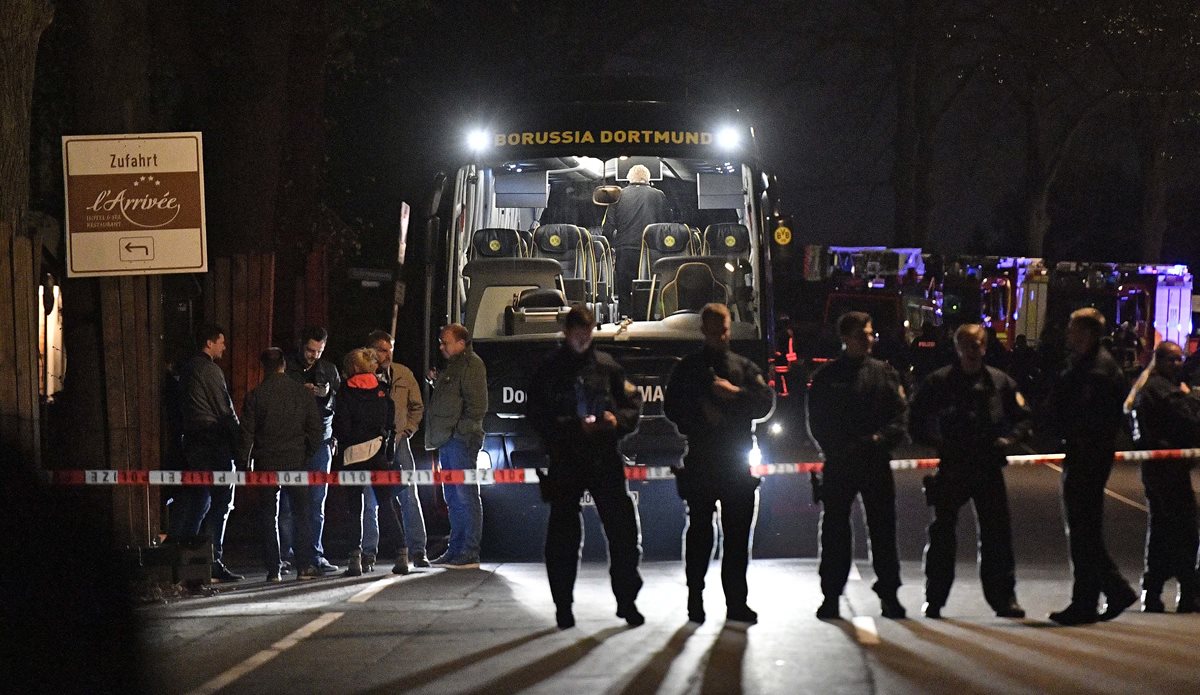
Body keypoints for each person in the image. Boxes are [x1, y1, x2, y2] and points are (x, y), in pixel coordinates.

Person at [527, 305, 645, 629]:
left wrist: (615, 421)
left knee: (623, 532)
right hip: (566, 458)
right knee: (563, 537)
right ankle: (563, 606)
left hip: (604, 457)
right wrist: (574, 428)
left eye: (587, 331)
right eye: (577, 332)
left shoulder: (608, 367)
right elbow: (537, 416)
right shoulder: (549, 370)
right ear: (567, 332)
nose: (582, 337)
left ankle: (627, 601)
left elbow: (631, 406)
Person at [909, 324, 1031, 619]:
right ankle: (935, 598)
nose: (972, 351)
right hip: (953, 466)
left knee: (997, 536)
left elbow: (1024, 420)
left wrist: (1009, 440)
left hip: (988, 465)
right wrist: (936, 442)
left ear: (985, 347)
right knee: (942, 535)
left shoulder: (1000, 383)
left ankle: (1004, 599)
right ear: (957, 348)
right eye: (966, 345)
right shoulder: (938, 383)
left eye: (977, 345)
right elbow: (915, 421)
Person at [664, 303, 775, 624]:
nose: (721, 335)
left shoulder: (743, 367)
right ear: (704, 330)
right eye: (715, 330)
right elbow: (672, 408)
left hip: (735, 460)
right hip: (702, 456)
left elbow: (766, 403)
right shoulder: (688, 369)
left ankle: (736, 603)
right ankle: (695, 599)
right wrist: (700, 414)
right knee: (700, 534)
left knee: (737, 538)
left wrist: (735, 395)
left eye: (725, 329)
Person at [807, 311, 908, 620]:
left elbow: (900, 416)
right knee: (835, 532)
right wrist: (837, 449)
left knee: (883, 532)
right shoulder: (826, 377)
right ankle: (831, 596)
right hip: (840, 463)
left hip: (875, 461)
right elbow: (818, 422)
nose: (870, 339)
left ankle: (889, 595)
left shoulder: (885, 374)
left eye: (870, 333)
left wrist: (880, 440)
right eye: (864, 334)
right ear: (847, 338)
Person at [1043, 307, 1138, 625]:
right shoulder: (1093, 365)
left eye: (1073, 329)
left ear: (1087, 333)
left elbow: (1084, 418)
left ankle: (1105, 593)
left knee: (1083, 530)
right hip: (1088, 454)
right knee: (1085, 530)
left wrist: (1062, 430)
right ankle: (1094, 597)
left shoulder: (1096, 372)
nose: (1068, 335)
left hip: (1087, 455)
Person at [1125, 341, 1200, 613]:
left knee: (1161, 530)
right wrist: (1190, 397)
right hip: (1167, 468)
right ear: (1160, 360)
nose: (1179, 365)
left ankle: (1154, 591)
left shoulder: (1146, 388)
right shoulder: (1161, 390)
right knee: (1184, 531)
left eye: (1181, 359)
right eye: (1174, 360)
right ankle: (1186, 591)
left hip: (1157, 468)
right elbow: (1189, 420)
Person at [238, 348, 323, 581]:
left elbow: (246, 434)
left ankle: (274, 569)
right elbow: (316, 431)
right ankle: (304, 567)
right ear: (284, 364)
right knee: (301, 514)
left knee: (269, 516)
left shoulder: (255, 396)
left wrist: (243, 464)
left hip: (266, 463)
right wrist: (306, 454)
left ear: (263, 367)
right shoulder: (302, 393)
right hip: (296, 461)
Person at [169, 323, 243, 582]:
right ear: (209, 343)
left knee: (197, 501)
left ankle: (185, 560)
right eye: (221, 341)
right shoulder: (209, 370)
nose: (224, 346)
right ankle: (212, 560)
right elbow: (224, 409)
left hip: (192, 442)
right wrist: (240, 444)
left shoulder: (187, 369)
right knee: (220, 503)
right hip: (213, 443)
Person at [334, 348, 411, 576]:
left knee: (354, 509)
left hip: (353, 456)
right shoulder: (382, 392)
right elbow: (390, 422)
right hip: (378, 455)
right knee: (387, 505)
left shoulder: (345, 393)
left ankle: (355, 561)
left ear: (354, 368)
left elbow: (342, 426)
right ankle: (402, 555)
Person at [364, 329, 429, 570]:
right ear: (371, 351)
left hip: (400, 443)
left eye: (390, 348)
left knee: (409, 496)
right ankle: (368, 553)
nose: (387, 354)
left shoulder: (403, 374)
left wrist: (407, 431)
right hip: (371, 446)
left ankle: (419, 550)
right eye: (382, 349)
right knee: (369, 500)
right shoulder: (363, 374)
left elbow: (417, 407)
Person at [425, 323, 488, 569]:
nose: (441, 346)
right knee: (453, 496)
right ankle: (456, 549)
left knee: (466, 495)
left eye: (445, 342)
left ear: (461, 343)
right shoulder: (455, 366)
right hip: (448, 440)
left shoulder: (472, 365)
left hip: (460, 441)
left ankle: (469, 551)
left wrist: (458, 433)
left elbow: (477, 407)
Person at [283, 326, 341, 575]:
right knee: (287, 503)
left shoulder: (329, 370)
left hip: (321, 442)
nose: (313, 355)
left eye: (318, 351)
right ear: (301, 346)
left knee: (317, 502)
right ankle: (285, 555)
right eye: (309, 350)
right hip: (293, 442)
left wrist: (325, 395)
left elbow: (341, 404)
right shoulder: (287, 368)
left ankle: (315, 554)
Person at [600, 163, 668, 317]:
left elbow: (608, 228)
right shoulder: (659, 195)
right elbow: (666, 226)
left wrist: (611, 247)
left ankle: (626, 319)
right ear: (648, 180)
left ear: (629, 179)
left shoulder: (618, 196)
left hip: (626, 249)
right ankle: (650, 318)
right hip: (652, 251)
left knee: (625, 290)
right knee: (650, 286)